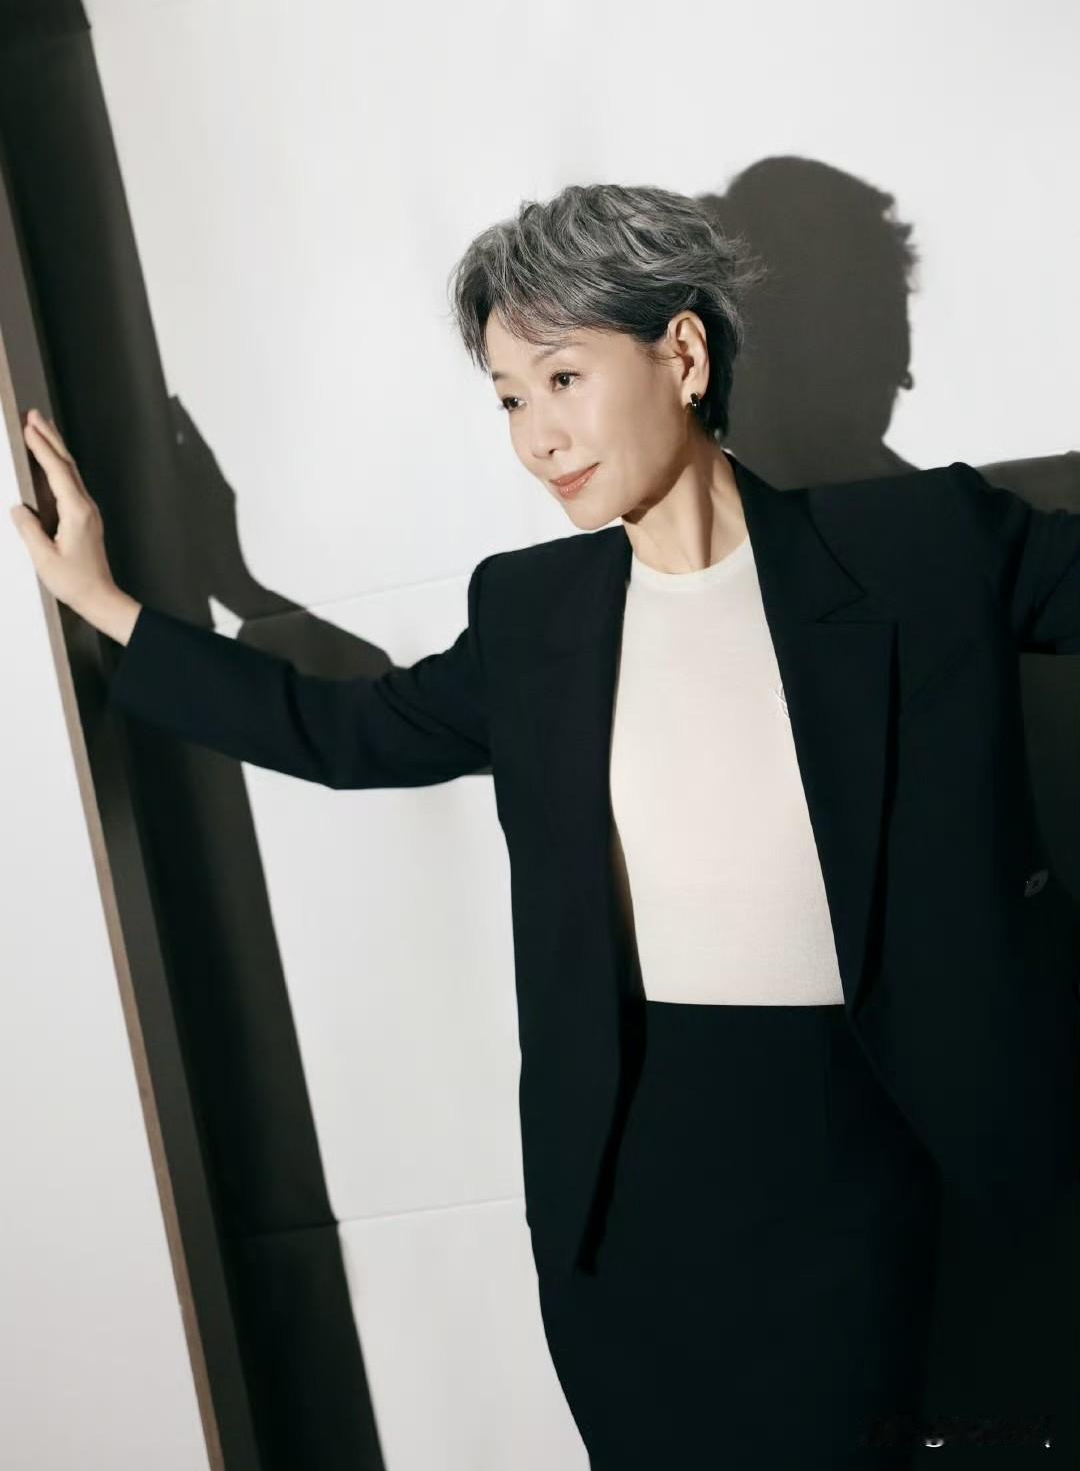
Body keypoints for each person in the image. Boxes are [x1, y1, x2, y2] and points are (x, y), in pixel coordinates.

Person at [12, 183, 1080, 1467]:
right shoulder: (535, 618)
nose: (538, 437)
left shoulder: (921, 549)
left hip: (893, 1163)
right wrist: (111, 605)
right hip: (636, 1189)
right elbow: (348, 734)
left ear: (683, 356)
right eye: (510, 400)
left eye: (564, 378)